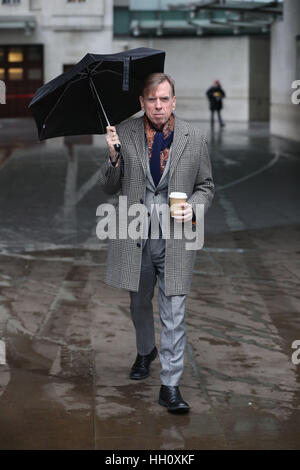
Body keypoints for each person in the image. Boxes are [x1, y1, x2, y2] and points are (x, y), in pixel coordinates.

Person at [99, 73, 214, 413]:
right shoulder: (124, 133)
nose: (159, 106)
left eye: (164, 99)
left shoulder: (195, 138)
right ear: (142, 102)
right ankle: (146, 350)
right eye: (152, 99)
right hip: (135, 236)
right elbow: (108, 186)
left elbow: (206, 186)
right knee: (139, 303)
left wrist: (193, 209)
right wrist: (114, 157)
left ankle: (170, 385)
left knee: (174, 311)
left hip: (178, 237)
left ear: (174, 101)